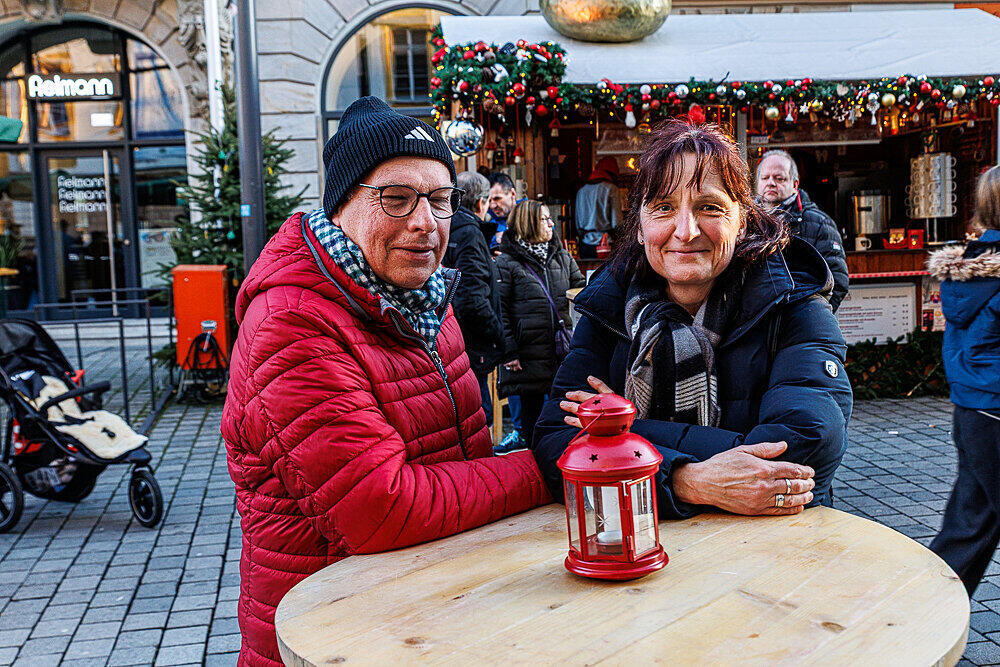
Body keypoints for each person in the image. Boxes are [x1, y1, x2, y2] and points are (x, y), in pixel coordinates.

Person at [221, 97, 550, 667]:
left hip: (426, 614)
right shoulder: (292, 321)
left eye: (441, 201)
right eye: (395, 199)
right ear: (341, 207)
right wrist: (550, 466)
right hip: (336, 632)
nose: (424, 222)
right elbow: (383, 507)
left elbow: (459, 456)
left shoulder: (420, 300)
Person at [533, 121, 852, 518]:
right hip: (636, 552)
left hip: (766, 555)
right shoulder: (609, 310)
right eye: (664, 208)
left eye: (709, 207)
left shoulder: (795, 308)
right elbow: (554, 445)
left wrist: (619, 432)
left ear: (744, 220)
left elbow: (797, 455)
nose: (685, 231)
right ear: (639, 226)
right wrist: (687, 480)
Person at [928, 166, 1000, 597]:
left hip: (974, 412)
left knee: (968, 528)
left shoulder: (968, 268)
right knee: (968, 526)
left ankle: (923, 616)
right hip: (995, 407)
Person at [496, 200, 586, 452]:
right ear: (528, 224)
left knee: (562, 412)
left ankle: (559, 461)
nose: (551, 224)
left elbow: (580, 290)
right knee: (531, 416)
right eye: (544, 219)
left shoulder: (562, 256)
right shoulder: (507, 263)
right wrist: (509, 351)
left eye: (549, 218)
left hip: (560, 350)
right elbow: (500, 309)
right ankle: (535, 466)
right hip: (526, 354)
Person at [442, 170, 504, 425]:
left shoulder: (449, 227)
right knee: (479, 417)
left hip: (454, 340)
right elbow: (472, 297)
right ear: (481, 203)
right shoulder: (469, 234)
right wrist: (497, 332)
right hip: (469, 344)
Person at [756, 150, 849, 311]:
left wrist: (812, 320)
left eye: (779, 178)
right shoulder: (743, 220)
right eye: (765, 178)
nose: (770, 183)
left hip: (799, 326)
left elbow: (838, 281)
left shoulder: (820, 224)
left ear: (795, 184)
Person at [575, 156, 622, 258]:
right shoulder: (611, 189)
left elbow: (578, 224)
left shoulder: (581, 191)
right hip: (606, 244)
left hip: (586, 244)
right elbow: (617, 223)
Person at [488, 172, 520, 251]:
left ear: (512, 193)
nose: (492, 205)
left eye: (497, 199)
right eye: (489, 200)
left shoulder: (533, 216)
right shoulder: (490, 225)